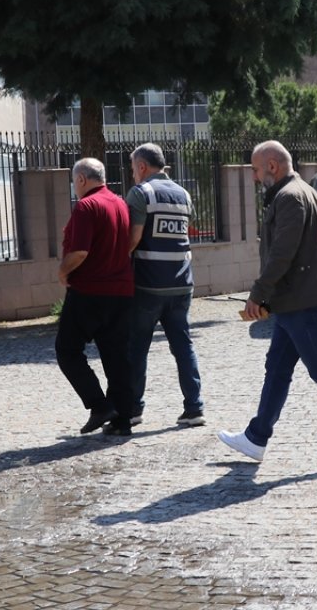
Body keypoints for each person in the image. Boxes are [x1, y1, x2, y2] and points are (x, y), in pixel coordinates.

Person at [217, 140, 317, 467]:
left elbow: (283, 253)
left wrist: (258, 293)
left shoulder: (290, 197)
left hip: (302, 301)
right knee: (277, 369)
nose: (253, 176)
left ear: (273, 166)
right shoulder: (303, 191)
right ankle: (256, 437)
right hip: (296, 300)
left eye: (255, 169)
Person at [125, 143, 205, 427]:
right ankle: (194, 407)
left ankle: (133, 409)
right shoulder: (183, 194)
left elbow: (132, 240)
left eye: (133, 167)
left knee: (137, 347)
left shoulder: (141, 193)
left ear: (143, 167)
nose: (133, 173)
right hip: (182, 283)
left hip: (148, 284)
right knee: (183, 346)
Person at [55, 158, 137, 436]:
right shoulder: (120, 204)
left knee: (67, 350)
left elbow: (80, 252)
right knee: (117, 357)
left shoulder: (86, 207)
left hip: (89, 291)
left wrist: (63, 272)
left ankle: (99, 404)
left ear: (81, 180)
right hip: (122, 291)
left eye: (74, 182)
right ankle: (122, 420)